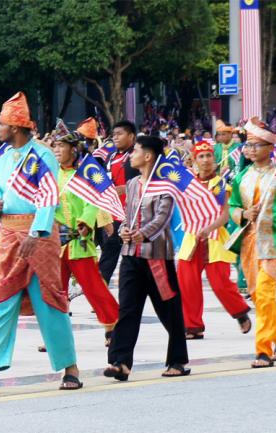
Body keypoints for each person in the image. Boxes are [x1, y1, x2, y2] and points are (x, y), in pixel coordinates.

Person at [0, 92, 82, 394]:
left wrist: (36, 233)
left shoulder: (41, 157)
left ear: (14, 127)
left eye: (0, 125)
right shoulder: (2, 161)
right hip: (8, 235)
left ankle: (70, 368)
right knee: (1, 302)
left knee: (50, 302)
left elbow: (48, 198)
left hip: (37, 237)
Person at [103, 135, 190, 380]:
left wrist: (142, 234)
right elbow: (128, 215)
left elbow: (162, 218)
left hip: (157, 258)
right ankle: (120, 362)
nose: (132, 155)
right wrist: (124, 231)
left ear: (149, 156)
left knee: (169, 310)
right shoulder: (132, 185)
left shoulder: (165, 186)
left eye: (136, 151)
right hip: (131, 256)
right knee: (128, 309)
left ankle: (178, 360)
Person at [230, 118, 276, 368]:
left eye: (255, 145)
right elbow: (232, 207)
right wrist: (242, 214)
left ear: (270, 147)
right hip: (249, 244)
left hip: (274, 245)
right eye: (248, 146)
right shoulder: (241, 177)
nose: (250, 150)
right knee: (259, 296)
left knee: (264, 293)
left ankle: (262, 351)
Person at [178, 139, 252, 339]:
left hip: (215, 238)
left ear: (214, 158)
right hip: (192, 239)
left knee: (220, 282)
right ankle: (193, 326)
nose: (205, 160)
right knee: (187, 281)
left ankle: (240, 312)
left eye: (209, 155)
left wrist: (208, 228)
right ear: (194, 160)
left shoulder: (220, 184)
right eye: (201, 156)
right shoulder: (188, 183)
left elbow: (225, 215)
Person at [52, 132, 120, 345]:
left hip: (78, 240)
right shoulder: (53, 175)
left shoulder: (84, 175)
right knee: (55, 290)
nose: (57, 150)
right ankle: (55, 334)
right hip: (56, 242)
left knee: (93, 287)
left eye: (61, 146)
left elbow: (94, 200)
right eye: (55, 146)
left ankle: (114, 324)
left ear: (73, 149)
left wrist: (86, 221)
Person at [97, 121, 140, 287]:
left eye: (120, 134)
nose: (115, 137)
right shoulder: (110, 157)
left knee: (135, 256)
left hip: (133, 213)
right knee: (108, 252)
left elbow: (149, 181)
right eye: (114, 134)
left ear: (131, 136)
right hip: (111, 212)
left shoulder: (138, 155)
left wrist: (128, 189)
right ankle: (101, 296)